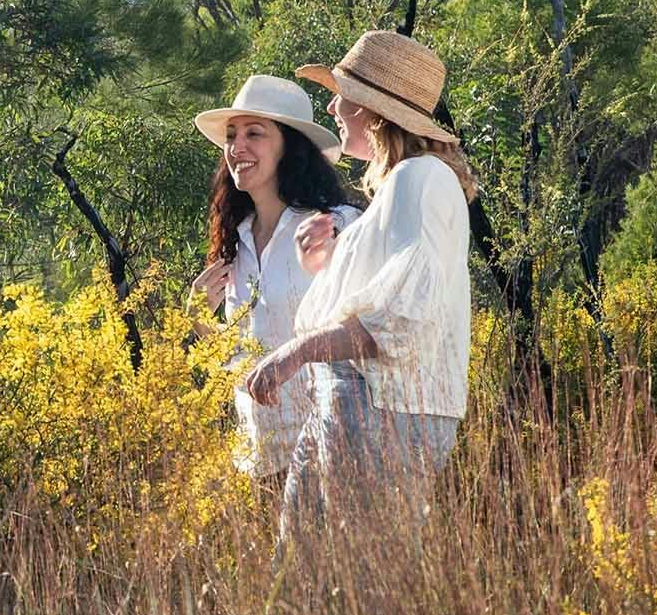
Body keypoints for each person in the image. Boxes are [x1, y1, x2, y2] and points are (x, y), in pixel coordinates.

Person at [241, 31, 476, 542]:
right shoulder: (404, 184)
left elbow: (399, 321)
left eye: (342, 94)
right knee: (309, 574)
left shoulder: (420, 179)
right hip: (360, 410)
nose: (331, 104)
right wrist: (323, 266)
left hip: (383, 415)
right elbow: (383, 303)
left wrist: (295, 353)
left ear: (373, 111)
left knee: (355, 578)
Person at [190, 76, 359, 489]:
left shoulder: (334, 225)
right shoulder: (236, 241)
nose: (236, 147)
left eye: (254, 134)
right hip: (258, 461)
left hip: (328, 453)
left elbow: (366, 334)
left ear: (291, 147)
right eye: (232, 135)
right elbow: (239, 362)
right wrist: (198, 318)